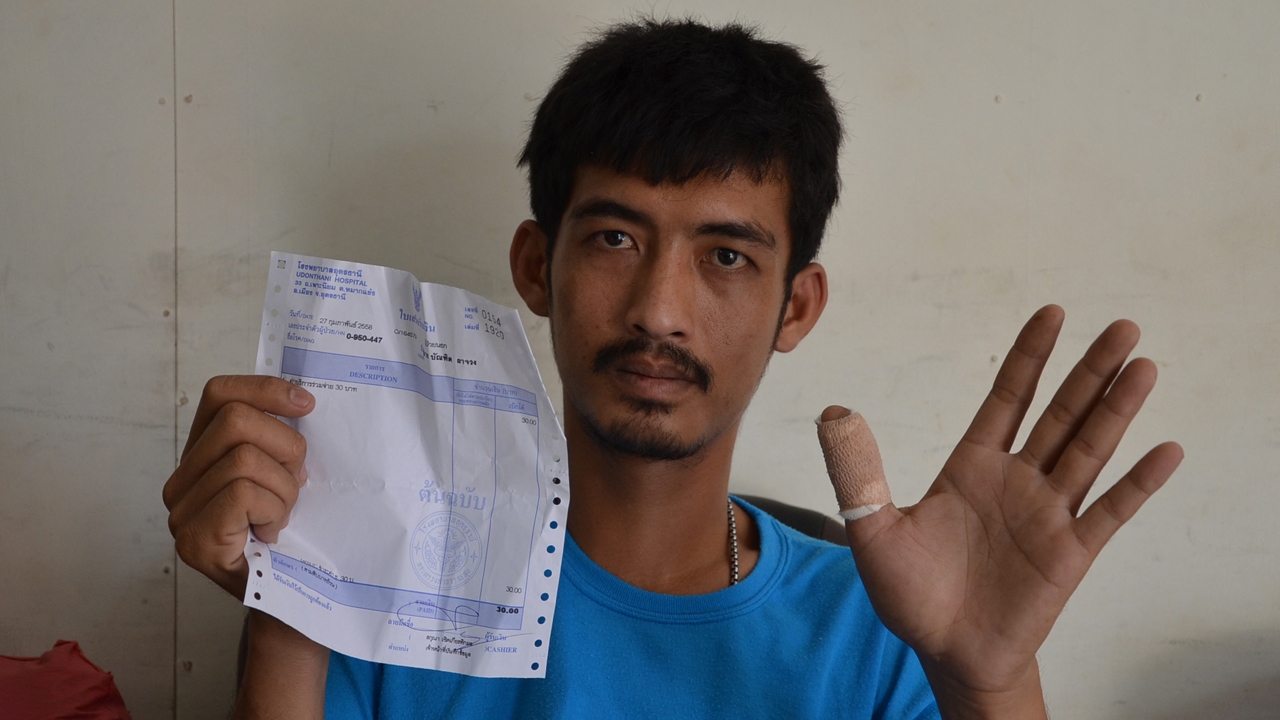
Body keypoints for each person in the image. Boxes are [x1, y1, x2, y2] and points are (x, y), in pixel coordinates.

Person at [162, 18, 1183, 719]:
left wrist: (990, 687)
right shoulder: (385, 574)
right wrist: (297, 588)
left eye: (726, 257)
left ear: (796, 307)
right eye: (614, 239)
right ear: (537, 267)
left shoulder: (887, 626)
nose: (659, 309)